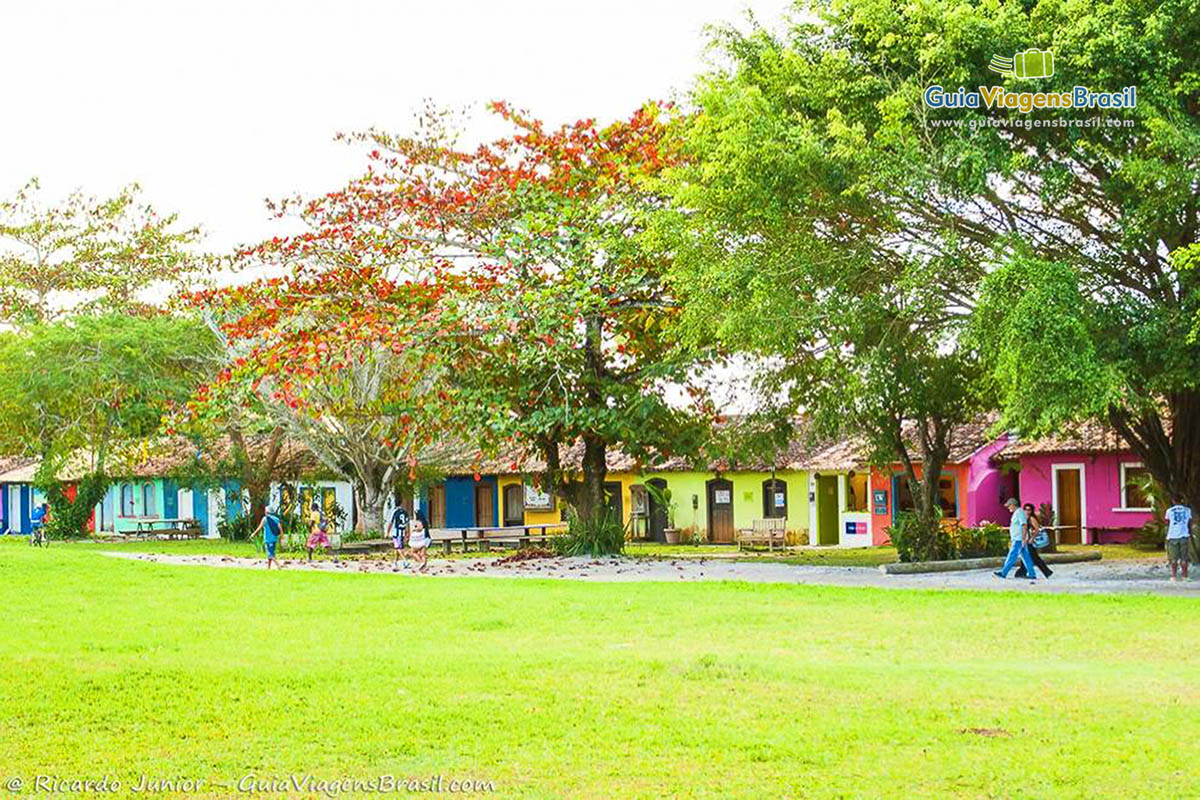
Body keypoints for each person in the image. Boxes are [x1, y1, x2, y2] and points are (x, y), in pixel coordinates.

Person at [994, 497, 1037, 581]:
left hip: (1019, 539)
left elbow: (1024, 525)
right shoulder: (1017, 512)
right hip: (1018, 538)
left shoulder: (1019, 513)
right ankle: (1032, 574)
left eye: (1009, 506)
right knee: (1025, 557)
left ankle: (1003, 573)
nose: (1008, 507)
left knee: (1012, 556)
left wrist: (1024, 539)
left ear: (1013, 505)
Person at [1014, 503, 1053, 579]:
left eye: (1029, 510)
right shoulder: (1024, 518)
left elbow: (1037, 530)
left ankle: (1046, 572)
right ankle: (1022, 572)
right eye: (1025, 509)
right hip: (1025, 540)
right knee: (1026, 557)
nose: (1027, 511)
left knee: (1034, 558)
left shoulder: (1031, 518)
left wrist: (1032, 538)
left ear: (1032, 511)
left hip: (1029, 541)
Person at [1164, 496, 1193, 582]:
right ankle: (1185, 576)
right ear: (1182, 501)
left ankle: (1173, 576)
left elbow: (1167, 522)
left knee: (1173, 558)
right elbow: (1189, 523)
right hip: (1184, 535)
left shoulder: (1169, 511)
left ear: (1173, 501)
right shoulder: (1187, 510)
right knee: (1184, 558)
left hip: (1173, 536)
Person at [252, 505, 283, 569]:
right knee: (271, 552)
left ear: (267, 511)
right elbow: (280, 529)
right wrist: (281, 537)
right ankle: (268, 567)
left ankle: (278, 566)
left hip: (268, 539)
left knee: (270, 554)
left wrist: (254, 534)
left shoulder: (265, 519)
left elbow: (259, 528)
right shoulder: (276, 519)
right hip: (274, 538)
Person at [305, 496, 335, 562]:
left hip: (316, 531)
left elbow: (311, 523)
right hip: (322, 531)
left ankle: (309, 559)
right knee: (326, 545)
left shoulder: (314, 514)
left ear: (313, 508)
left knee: (310, 545)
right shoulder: (321, 513)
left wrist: (308, 522)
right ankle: (334, 557)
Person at [387, 504, 410, 570]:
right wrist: (407, 532)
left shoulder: (395, 512)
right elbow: (407, 524)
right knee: (397, 547)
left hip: (396, 532)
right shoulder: (405, 512)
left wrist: (388, 532)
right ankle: (395, 561)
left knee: (398, 547)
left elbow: (390, 523)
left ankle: (405, 560)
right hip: (402, 532)